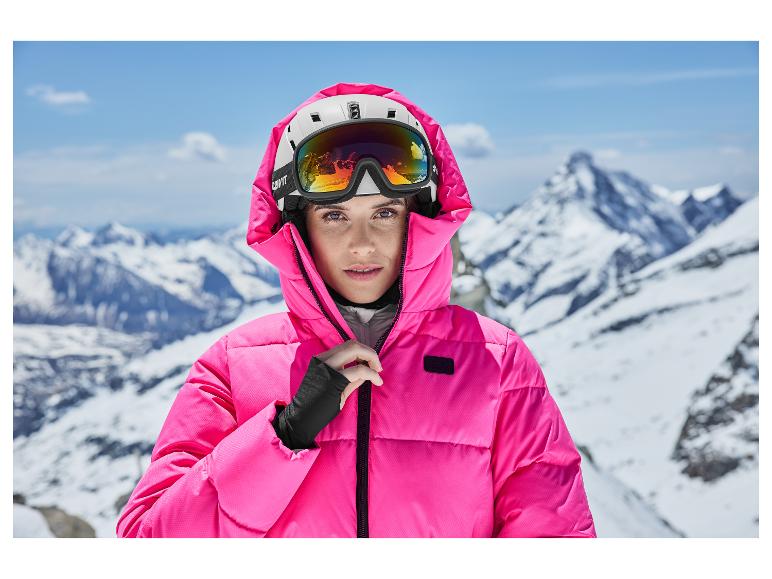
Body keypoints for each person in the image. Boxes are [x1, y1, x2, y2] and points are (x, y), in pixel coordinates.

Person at [115, 82, 597, 538]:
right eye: (334, 217)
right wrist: (283, 434)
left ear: (420, 220)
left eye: (385, 213)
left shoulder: (497, 362)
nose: (362, 244)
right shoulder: (231, 367)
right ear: (298, 229)